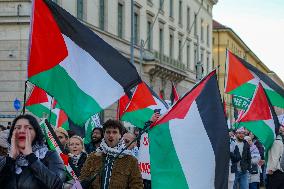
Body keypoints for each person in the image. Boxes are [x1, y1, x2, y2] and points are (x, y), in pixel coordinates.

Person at [0, 114, 66, 189]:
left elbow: (57, 185)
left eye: (28, 128)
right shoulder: (4, 160)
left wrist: (31, 157)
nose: (22, 131)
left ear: (36, 133)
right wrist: (10, 159)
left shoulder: (49, 156)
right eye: (17, 128)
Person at [80, 119, 143, 189]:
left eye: (115, 132)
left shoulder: (130, 160)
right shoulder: (93, 157)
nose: (111, 135)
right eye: (108, 132)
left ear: (120, 135)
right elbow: (83, 179)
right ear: (104, 134)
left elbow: (137, 186)